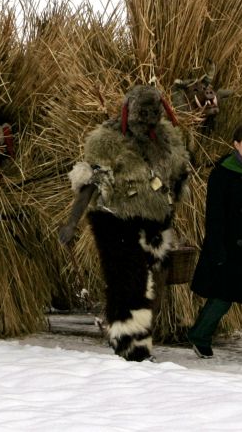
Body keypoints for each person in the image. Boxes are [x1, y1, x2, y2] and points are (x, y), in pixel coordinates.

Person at [58, 85, 191, 362]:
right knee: (130, 283)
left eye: (154, 113)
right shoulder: (106, 140)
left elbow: (177, 180)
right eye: (141, 114)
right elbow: (90, 184)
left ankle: (130, 339)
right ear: (128, 110)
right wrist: (71, 222)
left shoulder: (168, 139)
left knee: (154, 286)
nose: (147, 119)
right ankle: (132, 349)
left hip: (156, 222)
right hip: (115, 220)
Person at [187, 122, 242, 365]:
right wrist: (216, 248)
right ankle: (199, 335)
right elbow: (214, 214)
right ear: (236, 145)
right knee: (223, 296)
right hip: (230, 242)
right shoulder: (222, 172)